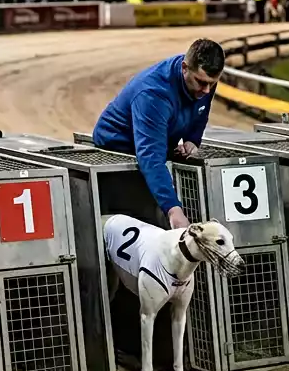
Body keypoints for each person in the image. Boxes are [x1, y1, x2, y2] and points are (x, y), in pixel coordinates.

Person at [93, 39, 225, 229]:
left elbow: (202, 109)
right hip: (117, 149)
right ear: (184, 68)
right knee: (146, 221)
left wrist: (192, 139)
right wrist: (173, 210)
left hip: (156, 143)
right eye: (202, 82)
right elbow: (150, 156)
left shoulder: (203, 80)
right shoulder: (153, 94)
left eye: (212, 84)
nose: (207, 90)